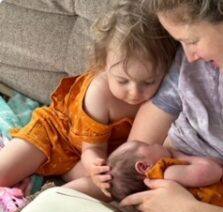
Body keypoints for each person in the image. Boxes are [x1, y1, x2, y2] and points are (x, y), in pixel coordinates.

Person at [0, 0, 178, 201]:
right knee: (3, 172)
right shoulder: (99, 92)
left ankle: (40, 203)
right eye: (122, 80)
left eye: (148, 81)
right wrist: (94, 162)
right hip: (57, 134)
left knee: (112, 183)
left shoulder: (162, 99)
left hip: (93, 159)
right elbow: (92, 148)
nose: (134, 92)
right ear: (104, 65)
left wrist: (99, 172)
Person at [119, 0, 223, 212]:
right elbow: (135, 153)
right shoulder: (195, 64)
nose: (189, 56)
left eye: (192, 40)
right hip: (164, 189)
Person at [108, 140, 223, 206]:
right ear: (144, 167)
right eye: (148, 145)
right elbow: (214, 170)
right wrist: (181, 156)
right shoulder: (170, 174)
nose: (155, 143)